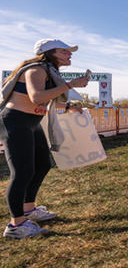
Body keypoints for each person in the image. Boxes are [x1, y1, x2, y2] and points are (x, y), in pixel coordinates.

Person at [1, 38, 89, 239]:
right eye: (64, 51)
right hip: (16, 121)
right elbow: (37, 97)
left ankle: (29, 209)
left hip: (30, 122)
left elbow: (45, 100)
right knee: (22, 172)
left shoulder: (49, 71)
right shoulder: (37, 69)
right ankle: (16, 225)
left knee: (42, 165)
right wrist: (70, 85)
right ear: (50, 52)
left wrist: (67, 106)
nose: (70, 54)